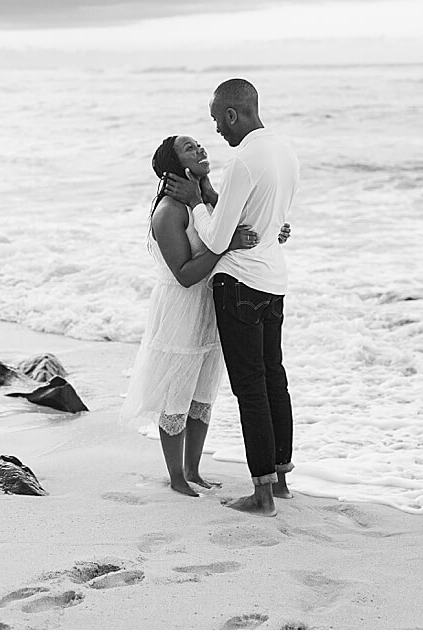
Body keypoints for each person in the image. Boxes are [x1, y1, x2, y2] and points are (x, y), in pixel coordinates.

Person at [120, 134, 290, 497]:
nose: (200, 148)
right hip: (181, 310)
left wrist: (273, 232)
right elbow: (183, 274)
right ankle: (176, 477)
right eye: (189, 148)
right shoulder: (169, 212)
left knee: (202, 398)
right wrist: (225, 244)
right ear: (175, 166)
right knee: (176, 397)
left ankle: (193, 469)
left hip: (211, 307)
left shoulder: (206, 202)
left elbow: (241, 228)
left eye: (199, 143)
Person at [163, 78, 300, 517]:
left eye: (216, 121)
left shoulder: (242, 161)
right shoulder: (284, 151)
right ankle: (279, 481)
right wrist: (207, 197)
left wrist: (197, 203)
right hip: (273, 280)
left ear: (230, 115)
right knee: (274, 378)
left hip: (239, 284)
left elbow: (221, 236)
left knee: (250, 388)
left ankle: (260, 497)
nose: (216, 133)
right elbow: (268, 219)